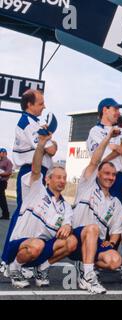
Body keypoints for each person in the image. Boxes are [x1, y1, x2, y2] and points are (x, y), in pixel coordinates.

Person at [4, 134, 77, 288]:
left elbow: (68, 222)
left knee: (72, 242)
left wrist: (67, 226)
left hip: (41, 248)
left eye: (64, 178)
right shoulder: (37, 189)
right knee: (37, 245)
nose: (62, 181)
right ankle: (14, 267)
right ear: (47, 179)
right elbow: (36, 168)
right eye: (58, 177)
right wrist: (41, 144)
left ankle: (42, 267)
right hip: (20, 245)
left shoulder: (66, 207)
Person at [2, 89, 58, 269]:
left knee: (34, 217)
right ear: (29, 105)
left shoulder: (35, 122)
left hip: (40, 171)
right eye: (41, 103)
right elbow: (51, 149)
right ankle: (6, 259)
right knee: (22, 215)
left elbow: (51, 146)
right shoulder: (27, 122)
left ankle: (23, 257)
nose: (44, 106)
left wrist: (52, 142)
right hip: (31, 171)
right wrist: (52, 142)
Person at [71, 127, 122, 294]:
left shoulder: (116, 203)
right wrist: (108, 137)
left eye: (113, 175)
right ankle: (89, 276)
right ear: (98, 174)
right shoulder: (87, 184)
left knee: (115, 261)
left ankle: (85, 265)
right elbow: (95, 161)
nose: (110, 177)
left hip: (96, 242)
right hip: (77, 237)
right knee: (93, 228)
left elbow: (116, 231)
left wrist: (113, 242)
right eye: (106, 173)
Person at [87, 98, 122, 207]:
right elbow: (101, 158)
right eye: (115, 109)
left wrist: (115, 148)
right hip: (104, 179)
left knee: (121, 216)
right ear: (105, 110)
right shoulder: (95, 131)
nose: (118, 113)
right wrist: (120, 149)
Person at [0, 148, 13, 220]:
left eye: (0, 152)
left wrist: (1, 174)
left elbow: (9, 172)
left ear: (4, 153)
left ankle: (6, 214)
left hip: (2, 182)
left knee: (2, 199)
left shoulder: (8, 162)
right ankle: (5, 214)